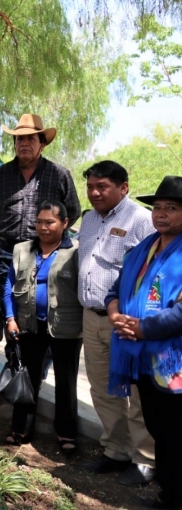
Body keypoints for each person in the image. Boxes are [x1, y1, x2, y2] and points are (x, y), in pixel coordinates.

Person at [76, 161, 156, 485]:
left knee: (136, 393)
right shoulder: (88, 219)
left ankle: (145, 460)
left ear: (123, 187)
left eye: (102, 186)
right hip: (91, 317)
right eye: (91, 187)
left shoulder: (142, 219)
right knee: (102, 389)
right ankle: (115, 451)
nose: (95, 193)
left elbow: (154, 272)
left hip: (126, 322)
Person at [107, 176, 182, 510]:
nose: (161, 214)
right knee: (158, 427)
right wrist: (115, 316)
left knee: (176, 432)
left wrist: (142, 329)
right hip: (142, 357)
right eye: (158, 207)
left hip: (173, 361)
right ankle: (169, 494)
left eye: (172, 208)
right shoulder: (143, 249)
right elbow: (114, 290)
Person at [0, 114, 81, 336]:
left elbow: (73, 210)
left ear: (42, 144)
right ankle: (16, 363)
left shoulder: (59, 175)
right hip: (8, 253)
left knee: (44, 309)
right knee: (11, 311)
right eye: (20, 139)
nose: (24, 144)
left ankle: (40, 364)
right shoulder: (1, 174)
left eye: (30, 139)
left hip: (46, 254)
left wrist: (49, 239)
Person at [3, 201, 83, 453]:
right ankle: (21, 429)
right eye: (39, 222)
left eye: (50, 222)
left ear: (65, 223)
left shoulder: (77, 251)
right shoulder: (23, 249)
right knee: (29, 376)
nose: (43, 227)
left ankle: (66, 433)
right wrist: (9, 317)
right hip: (29, 325)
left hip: (66, 327)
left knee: (66, 381)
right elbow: (8, 285)